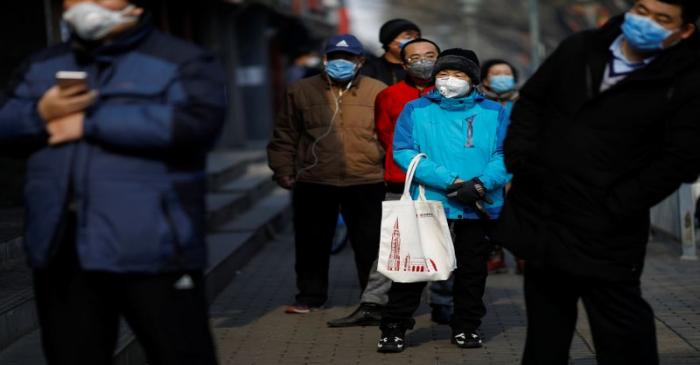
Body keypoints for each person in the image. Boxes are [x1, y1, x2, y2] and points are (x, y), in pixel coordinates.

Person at [0, 1, 225, 364]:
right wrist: (40, 114)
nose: (83, 4)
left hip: (153, 246)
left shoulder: (183, 60)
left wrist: (89, 122)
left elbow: (197, 124)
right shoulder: (42, 64)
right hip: (61, 247)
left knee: (181, 354)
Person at [499, 1, 700, 364]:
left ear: (684, 31)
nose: (646, 23)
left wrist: (620, 203)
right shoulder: (581, 48)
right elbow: (532, 102)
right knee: (546, 334)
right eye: (643, 10)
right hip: (544, 214)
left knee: (623, 332)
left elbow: (682, 158)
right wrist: (522, 161)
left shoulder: (685, 80)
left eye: (662, 19)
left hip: (608, 228)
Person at [376, 48, 510, 353]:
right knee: (414, 269)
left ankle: (466, 327)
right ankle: (393, 327)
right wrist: (450, 181)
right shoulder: (416, 109)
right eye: (443, 74)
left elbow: (506, 154)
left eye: (458, 75)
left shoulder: (493, 111)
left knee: (473, 271)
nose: (449, 80)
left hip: (478, 203)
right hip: (430, 201)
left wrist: (480, 184)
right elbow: (403, 152)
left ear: (473, 80)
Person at [328, 38, 456, 328]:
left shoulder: (454, 93)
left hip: (448, 184)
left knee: (448, 245)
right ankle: (373, 303)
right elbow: (388, 138)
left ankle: (443, 303)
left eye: (430, 54)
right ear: (403, 62)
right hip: (403, 182)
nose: (423, 60)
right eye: (415, 56)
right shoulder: (390, 96)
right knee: (393, 247)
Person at [267, 34, 387, 314]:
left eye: (347, 58)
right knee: (311, 243)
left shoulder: (378, 90)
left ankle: (373, 299)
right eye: (335, 57)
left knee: (370, 244)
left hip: (367, 178)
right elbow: (285, 133)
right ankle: (310, 297)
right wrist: (283, 169)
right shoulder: (300, 90)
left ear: (360, 61)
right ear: (324, 60)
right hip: (314, 179)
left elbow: (389, 134)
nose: (340, 63)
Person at [477, 59, 524, 274]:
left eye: (507, 73)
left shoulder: (524, 102)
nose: (502, 77)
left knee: (520, 210)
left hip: (519, 163)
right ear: (485, 78)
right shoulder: (477, 102)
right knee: (491, 211)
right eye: (497, 73)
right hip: (488, 164)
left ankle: (522, 253)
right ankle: (494, 252)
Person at [360, 18, 420, 86]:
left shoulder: (420, 69)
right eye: (408, 37)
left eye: (417, 38)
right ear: (389, 41)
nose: (414, 41)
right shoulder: (369, 68)